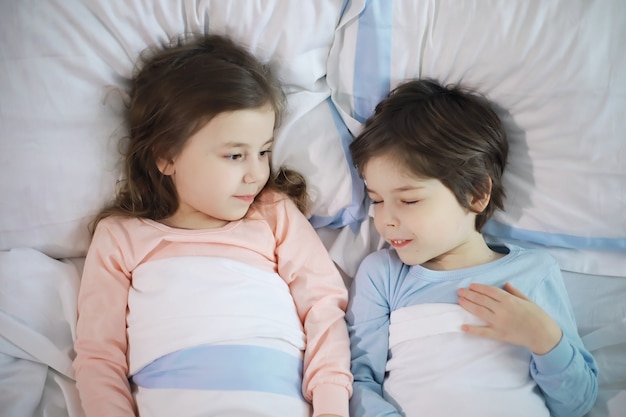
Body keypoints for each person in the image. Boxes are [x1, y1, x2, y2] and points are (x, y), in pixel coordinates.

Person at [73, 33, 352, 417]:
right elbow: (99, 356)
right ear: (167, 157)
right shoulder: (122, 237)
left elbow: (323, 308)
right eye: (235, 155)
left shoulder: (272, 214)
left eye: (264, 151)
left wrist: (331, 406)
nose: (256, 173)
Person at [346, 78, 598, 417]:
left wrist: (546, 340)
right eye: (376, 200)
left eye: (408, 200)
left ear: (476, 193)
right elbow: (360, 381)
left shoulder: (533, 272)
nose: (385, 220)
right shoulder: (384, 275)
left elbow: (577, 404)